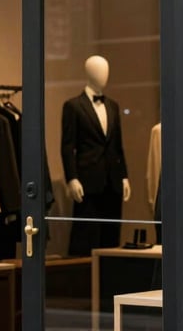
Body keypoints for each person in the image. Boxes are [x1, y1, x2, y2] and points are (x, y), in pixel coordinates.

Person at [61, 55, 130, 254]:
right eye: (99, 70)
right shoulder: (73, 106)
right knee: (85, 236)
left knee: (111, 237)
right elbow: (67, 146)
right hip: (88, 181)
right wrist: (72, 178)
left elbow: (118, 145)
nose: (104, 75)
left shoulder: (113, 106)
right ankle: (83, 280)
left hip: (112, 181)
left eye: (106, 70)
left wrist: (124, 175)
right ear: (89, 73)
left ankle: (109, 280)